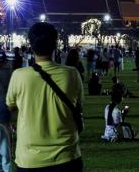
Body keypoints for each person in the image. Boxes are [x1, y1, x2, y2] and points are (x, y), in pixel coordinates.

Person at [6, 22, 83, 172]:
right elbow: (79, 105)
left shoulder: (19, 76)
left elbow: (10, 106)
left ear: (31, 45)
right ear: (55, 44)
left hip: (30, 158)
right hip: (66, 156)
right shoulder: (72, 74)